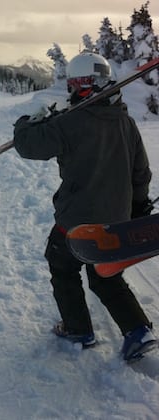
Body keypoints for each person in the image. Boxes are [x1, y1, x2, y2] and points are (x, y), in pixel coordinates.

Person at [14, 52, 159, 362]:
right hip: (116, 221)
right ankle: (137, 330)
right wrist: (137, 207)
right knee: (105, 275)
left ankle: (78, 328)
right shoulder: (125, 121)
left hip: (76, 222)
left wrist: (26, 123)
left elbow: (29, 146)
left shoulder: (70, 123)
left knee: (62, 265)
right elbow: (140, 173)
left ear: (80, 84)